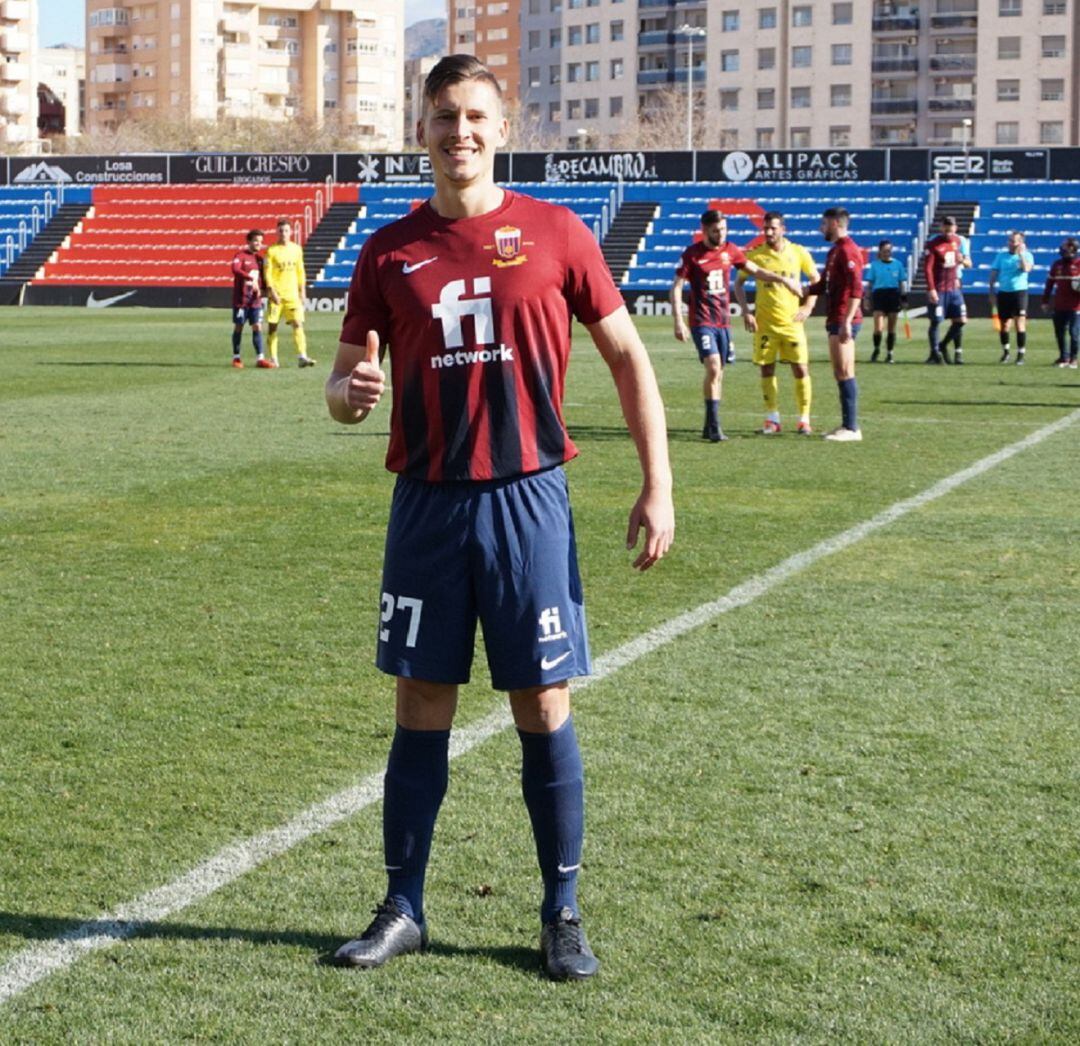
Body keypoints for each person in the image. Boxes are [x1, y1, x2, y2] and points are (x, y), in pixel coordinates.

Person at [324, 54, 674, 982]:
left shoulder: (558, 233)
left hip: (530, 500)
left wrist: (658, 483)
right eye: (444, 117)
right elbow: (342, 382)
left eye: (475, 115)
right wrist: (349, 394)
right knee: (418, 700)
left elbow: (630, 358)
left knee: (543, 701)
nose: (460, 132)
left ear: (501, 125)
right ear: (422, 130)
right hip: (428, 505)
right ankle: (404, 906)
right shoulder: (388, 250)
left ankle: (561, 911)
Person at [670, 210, 801, 441]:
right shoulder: (692, 254)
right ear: (704, 230)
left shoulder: (730, 250)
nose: (721, 234)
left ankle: (710, 425)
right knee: (713, 366)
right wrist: (679, 320)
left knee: (719, 373)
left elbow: (756, 271)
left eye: (723, 229)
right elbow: (677, 286)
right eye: (715, 231)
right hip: (702, 321)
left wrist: (784, 280)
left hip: (723, 322)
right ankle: (714, 426)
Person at [734, 211, 819, 435]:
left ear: (783, 229)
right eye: (766, 228)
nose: (769, 232)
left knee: (801, 368)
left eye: (773, 228)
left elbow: (816, 280)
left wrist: (808, 306)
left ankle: (804, 419)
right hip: (765, 325)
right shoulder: (756, 255)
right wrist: (746, 312)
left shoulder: (798, 252)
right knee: (766, 369)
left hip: (792, 323)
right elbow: (738, 284)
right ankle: (772, 419)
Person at [802, 207, 864, 442]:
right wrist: (801, 288)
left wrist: (847, 321)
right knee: (840, 372)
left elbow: (857, 289)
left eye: (824, 223)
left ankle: (852, 427)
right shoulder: (835, 251)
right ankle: (847, 425)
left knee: (846, 371)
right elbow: (825, 285)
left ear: (836, 223)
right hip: (835, 318)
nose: (821, 228)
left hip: (843, 318)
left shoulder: (849, 251)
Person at [265, 218, 316, 369]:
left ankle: (302, 356)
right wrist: (271, 290)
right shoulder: (271, 251)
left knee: (298, 324)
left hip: (292, 295)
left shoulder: (296, 249)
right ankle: (274, 358)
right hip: (276, 295)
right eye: (281, 231)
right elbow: (267, 273)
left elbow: (300, 271)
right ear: (277, 232)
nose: (284, 233)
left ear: (291, 232)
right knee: (273, 327)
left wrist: (302, 290)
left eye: (286, 230)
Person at [923, 215, 972, 365]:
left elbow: (966, 262)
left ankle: (942, 346)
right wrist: (931, 289)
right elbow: (928, 268)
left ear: (955, 228)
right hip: (939, 288)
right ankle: (935, 354)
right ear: (941, 227)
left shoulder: (958, 241)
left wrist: (962, 260)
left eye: (951, 226)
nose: (948, 229)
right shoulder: (934, 244)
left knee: (961, 320)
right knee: (936, 321)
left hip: (954, 288)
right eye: (946, 226)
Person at [988, 230, 1034, 366]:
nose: (1010, 243)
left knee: (1019, 323)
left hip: (1019, 292)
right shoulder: (1001, 256)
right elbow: (993, 274)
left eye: (1013, 241)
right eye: (1009, 240)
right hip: (1004, 293)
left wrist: (1021, 255)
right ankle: (1006, 352)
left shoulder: (1027, 256)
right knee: (1004, 325)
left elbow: (1026, 269)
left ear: (1020, 243)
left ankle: (1020, 354)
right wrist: (991, 291)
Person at [230, 229, 271, 369]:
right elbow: (235, 269)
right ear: (248, 242)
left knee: (257, 326)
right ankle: (236, 357)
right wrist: (250, 278)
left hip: (255, 301)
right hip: (241, 300)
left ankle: (260, 358)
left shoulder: (260, 259)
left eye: (260, 241)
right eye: (255, 241)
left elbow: (263, 278)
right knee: (239, 327)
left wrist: (266, 290)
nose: (258, 244)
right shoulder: (241, 256)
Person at [864, 239, 907, 364]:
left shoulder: (898, 264)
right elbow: (870, 284)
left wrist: (904, 298)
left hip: (893, 295)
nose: (886, 253)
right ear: (880, 251)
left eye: (888, 251)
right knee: (878, 328)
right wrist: (866, 298)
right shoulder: (875, 265)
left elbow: (902, 282)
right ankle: (876, 349)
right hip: (879, 295)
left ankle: (890, 353)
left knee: (891, 328)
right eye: (884, 251)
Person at [1041, 236, 1080, 369]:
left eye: (1067, 248)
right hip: (1059, 305)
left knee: (1074, 333)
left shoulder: (1079, 264)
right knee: (1060, 332)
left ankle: (1074, 359)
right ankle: (1063, 357)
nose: (1064, 250)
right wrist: (1045, 301)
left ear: (1074, 249)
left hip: (1076, 306)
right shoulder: (1057, 264)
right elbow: (1049, 284)